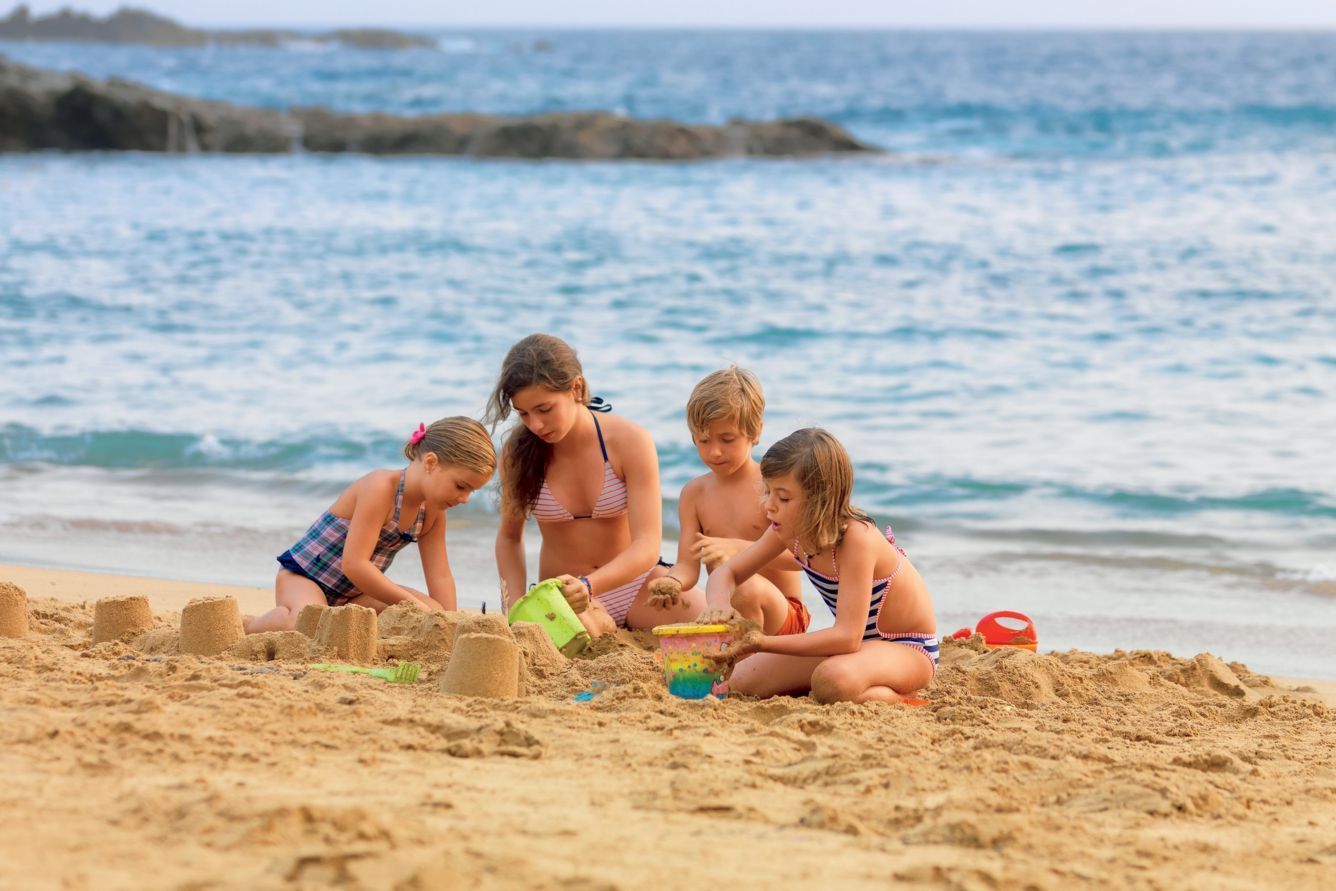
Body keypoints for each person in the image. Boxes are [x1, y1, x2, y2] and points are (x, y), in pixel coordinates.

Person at [487, 333, 703, 636]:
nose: (535, 424)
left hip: (635, 587)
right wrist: (513, 609)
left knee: (707, 626)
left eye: (544, 409)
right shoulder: (517, 454)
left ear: (577, 387)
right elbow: (510, 539)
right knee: (578, 633)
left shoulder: (629, 441)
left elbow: (647, 544)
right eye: (524, 413)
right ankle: (599, 624)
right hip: (563, 602)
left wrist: (590, 586)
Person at [706, 427, 938, 703]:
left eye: (783, 497)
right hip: (856, 649)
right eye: (767, 491)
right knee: (737, 682)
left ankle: (903, 700)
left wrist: (761, 642)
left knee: (832, 680)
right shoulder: (787, 531)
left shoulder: (857, 539)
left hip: (905, 648)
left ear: (820, 501)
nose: (768, 506)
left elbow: (846, 638)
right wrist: (719, 606)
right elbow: (727, 572)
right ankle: (861, 687)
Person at [244, 417, 495, 633]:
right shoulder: (380, 487)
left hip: (353, 594)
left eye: (471, 492)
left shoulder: (433, 512)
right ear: (431, 463)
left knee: (433, 611)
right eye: (461, 486)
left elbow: (440, 575)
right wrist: (409, 602)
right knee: (306, 622)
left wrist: (447, 623)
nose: (464, 499)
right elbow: (354, 563)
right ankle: (249, 625)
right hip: (306, 577)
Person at [647, 366, 809, 635]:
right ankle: (738, 660)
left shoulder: (774, 487)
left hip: (783, 615)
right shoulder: (694, 494)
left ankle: (748, 666)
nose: (715, 451)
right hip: (727, 614)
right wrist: (673, 582)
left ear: (755, 431)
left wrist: (738, 549)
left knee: (743, 587)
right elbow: (688, 565)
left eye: (727, 439)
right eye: (703, 440)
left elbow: (801, 558)